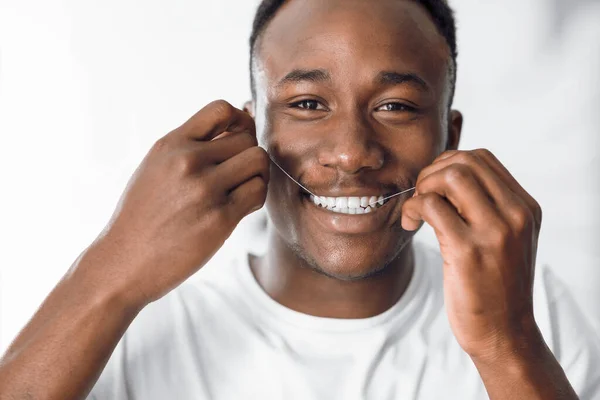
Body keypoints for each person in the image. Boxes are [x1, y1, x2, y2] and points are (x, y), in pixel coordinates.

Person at [1, 0, 599, 398]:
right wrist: (110, 271)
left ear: (451, 139)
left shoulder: (528, 312)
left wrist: (505, 341)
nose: (352, 152)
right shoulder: (134, 323)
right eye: (308, 104)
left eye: (395, 107)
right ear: (249, 131)